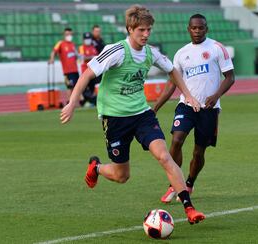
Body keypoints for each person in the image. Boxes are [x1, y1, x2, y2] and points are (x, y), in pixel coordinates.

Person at [61, 5, 205, 224]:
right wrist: (72, 103)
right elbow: (87, 74)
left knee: (164, 156)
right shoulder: (116, 51)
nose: (146, 34)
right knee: (122, 176)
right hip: (115, 118)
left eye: (149, 30)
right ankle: (96, 167)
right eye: (141, 30)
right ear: (130, 29)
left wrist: (189, 95)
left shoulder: (151, 52)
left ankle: (189, 208)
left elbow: (172, 70)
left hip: (141, 114)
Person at [153, 14, 235, 203]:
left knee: (199, 152)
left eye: (201, 28)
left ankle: (189, 182)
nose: (197, 31)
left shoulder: (217, 48)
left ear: (206, 29)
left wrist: (215, 97)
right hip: (187, 105)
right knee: (176, 139)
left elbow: (230, 77)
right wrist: (156, 107)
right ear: (188, 29)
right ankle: (175, 184)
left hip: (209, 109)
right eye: (194, 28)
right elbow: (172, 83)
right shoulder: (181, 53)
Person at [48, 27, 79, 97]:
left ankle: (79, 101)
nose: (69, 36)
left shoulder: (72, 44)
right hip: (67, 71)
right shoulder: (61, 43)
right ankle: (69, 101)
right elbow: (54, 51)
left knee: (76, 86)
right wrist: (52, 59)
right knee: (69, 86)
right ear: (64, 35)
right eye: (67, 34)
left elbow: (75, 56)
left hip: (75, 69)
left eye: (70, 34)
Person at [78, 32, 98, 106]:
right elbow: (82, 58)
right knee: (85, 88)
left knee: (92, 87)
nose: (88, 40)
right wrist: (91, 57)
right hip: (85, 71)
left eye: (89, 38)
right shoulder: (81, 47)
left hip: (93, 71)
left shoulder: (93, 47)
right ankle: (86, 101)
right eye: (86, 39)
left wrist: (92, 57)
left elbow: (97, 57)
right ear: (83, 40)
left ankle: (89, 102)